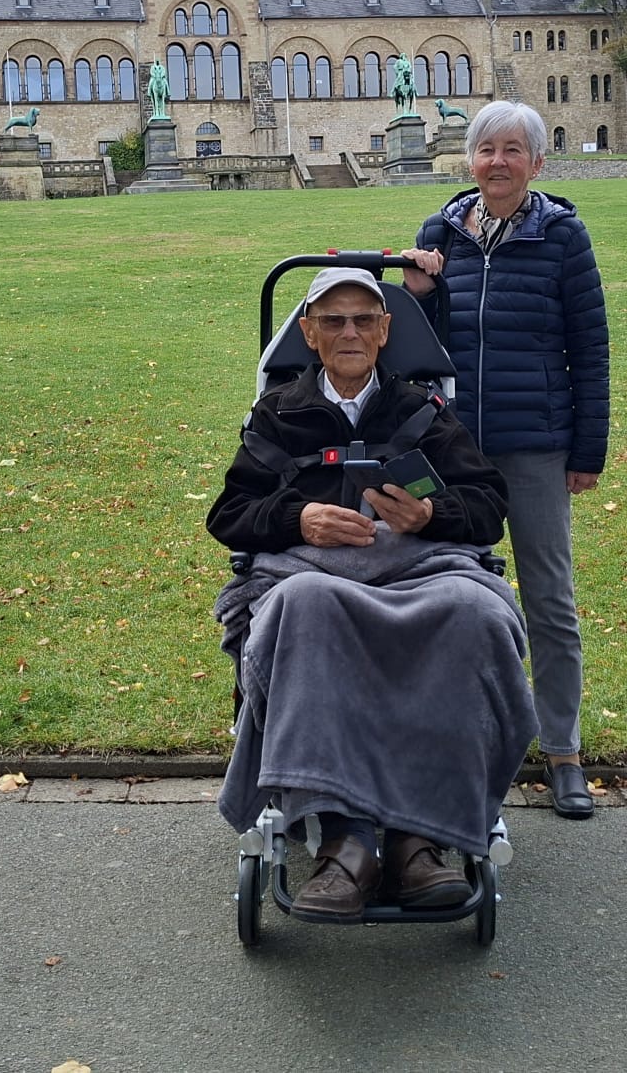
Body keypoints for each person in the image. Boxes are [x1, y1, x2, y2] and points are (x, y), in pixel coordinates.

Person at [208, 267, 533, 922]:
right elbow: (229, 514)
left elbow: (488, 505)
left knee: (472, 611)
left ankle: (419, 840)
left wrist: (432, 513)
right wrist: (297, 518)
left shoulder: (423, 411)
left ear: (385, 331)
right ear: (309, 333)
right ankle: (345, 841)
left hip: (422, 571)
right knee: (304, 606)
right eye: (333, 321)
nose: (349, 332)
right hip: (315, 577)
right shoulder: (279, 414)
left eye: (363, 320)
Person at [399, 101, 610, 820]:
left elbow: (590, 348)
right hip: (454, 449)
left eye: (513, 150)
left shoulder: (562, 236)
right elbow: (417, 350)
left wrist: (588, 449)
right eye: (487, 149)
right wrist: (419, 294)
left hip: (536, 443)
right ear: (470, 159)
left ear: (537, 163)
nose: (498, 162)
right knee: (447, 595)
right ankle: (456, 741)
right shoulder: (439, 234)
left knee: (548, 600)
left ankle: (563, 752)